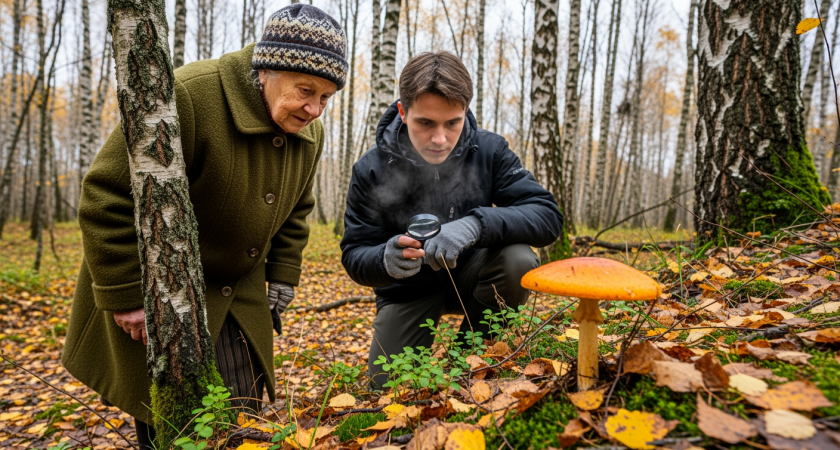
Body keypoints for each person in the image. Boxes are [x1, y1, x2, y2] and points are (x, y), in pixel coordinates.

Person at [61, 4, 347, 448]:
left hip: (241, 289)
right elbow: (106, 192)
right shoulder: (190, 95)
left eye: (326, 97)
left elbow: (297, 209)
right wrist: (128, 295)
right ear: (265, 70)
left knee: (242, 416)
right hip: (160, 287)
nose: (314, 109)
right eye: (305, 90)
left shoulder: (310, 131)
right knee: (175, 419)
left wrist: (283, 277)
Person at [340, 51, 564, 387]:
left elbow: (547, 216)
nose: (440, 139)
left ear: (465, 112)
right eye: (425, 123)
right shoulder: (370, 169)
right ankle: (418, 374)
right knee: (385, 389)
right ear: (403, 112)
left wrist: (475, 225)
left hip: (473, 276)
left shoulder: (490, 151)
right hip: (407, 291)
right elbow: (354, 253)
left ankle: (468, 366)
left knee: (518, 258)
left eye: (452, 123)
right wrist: (384, 259)